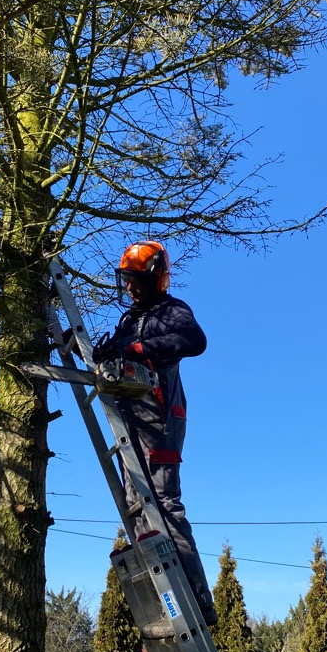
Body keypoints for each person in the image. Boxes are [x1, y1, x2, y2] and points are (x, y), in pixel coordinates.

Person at [94, 240, 217, 631]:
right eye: (125, 280)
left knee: (163, 503)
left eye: (135, 280)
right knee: (135, 503)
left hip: (160, 419)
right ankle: (165, 597)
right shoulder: (129, 319)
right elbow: (120, 353)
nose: (128, 288)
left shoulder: (171, 311)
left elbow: (195, 341)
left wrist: (140, 348)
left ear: (154, 279)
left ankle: (197, 600)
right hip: (131, 420)